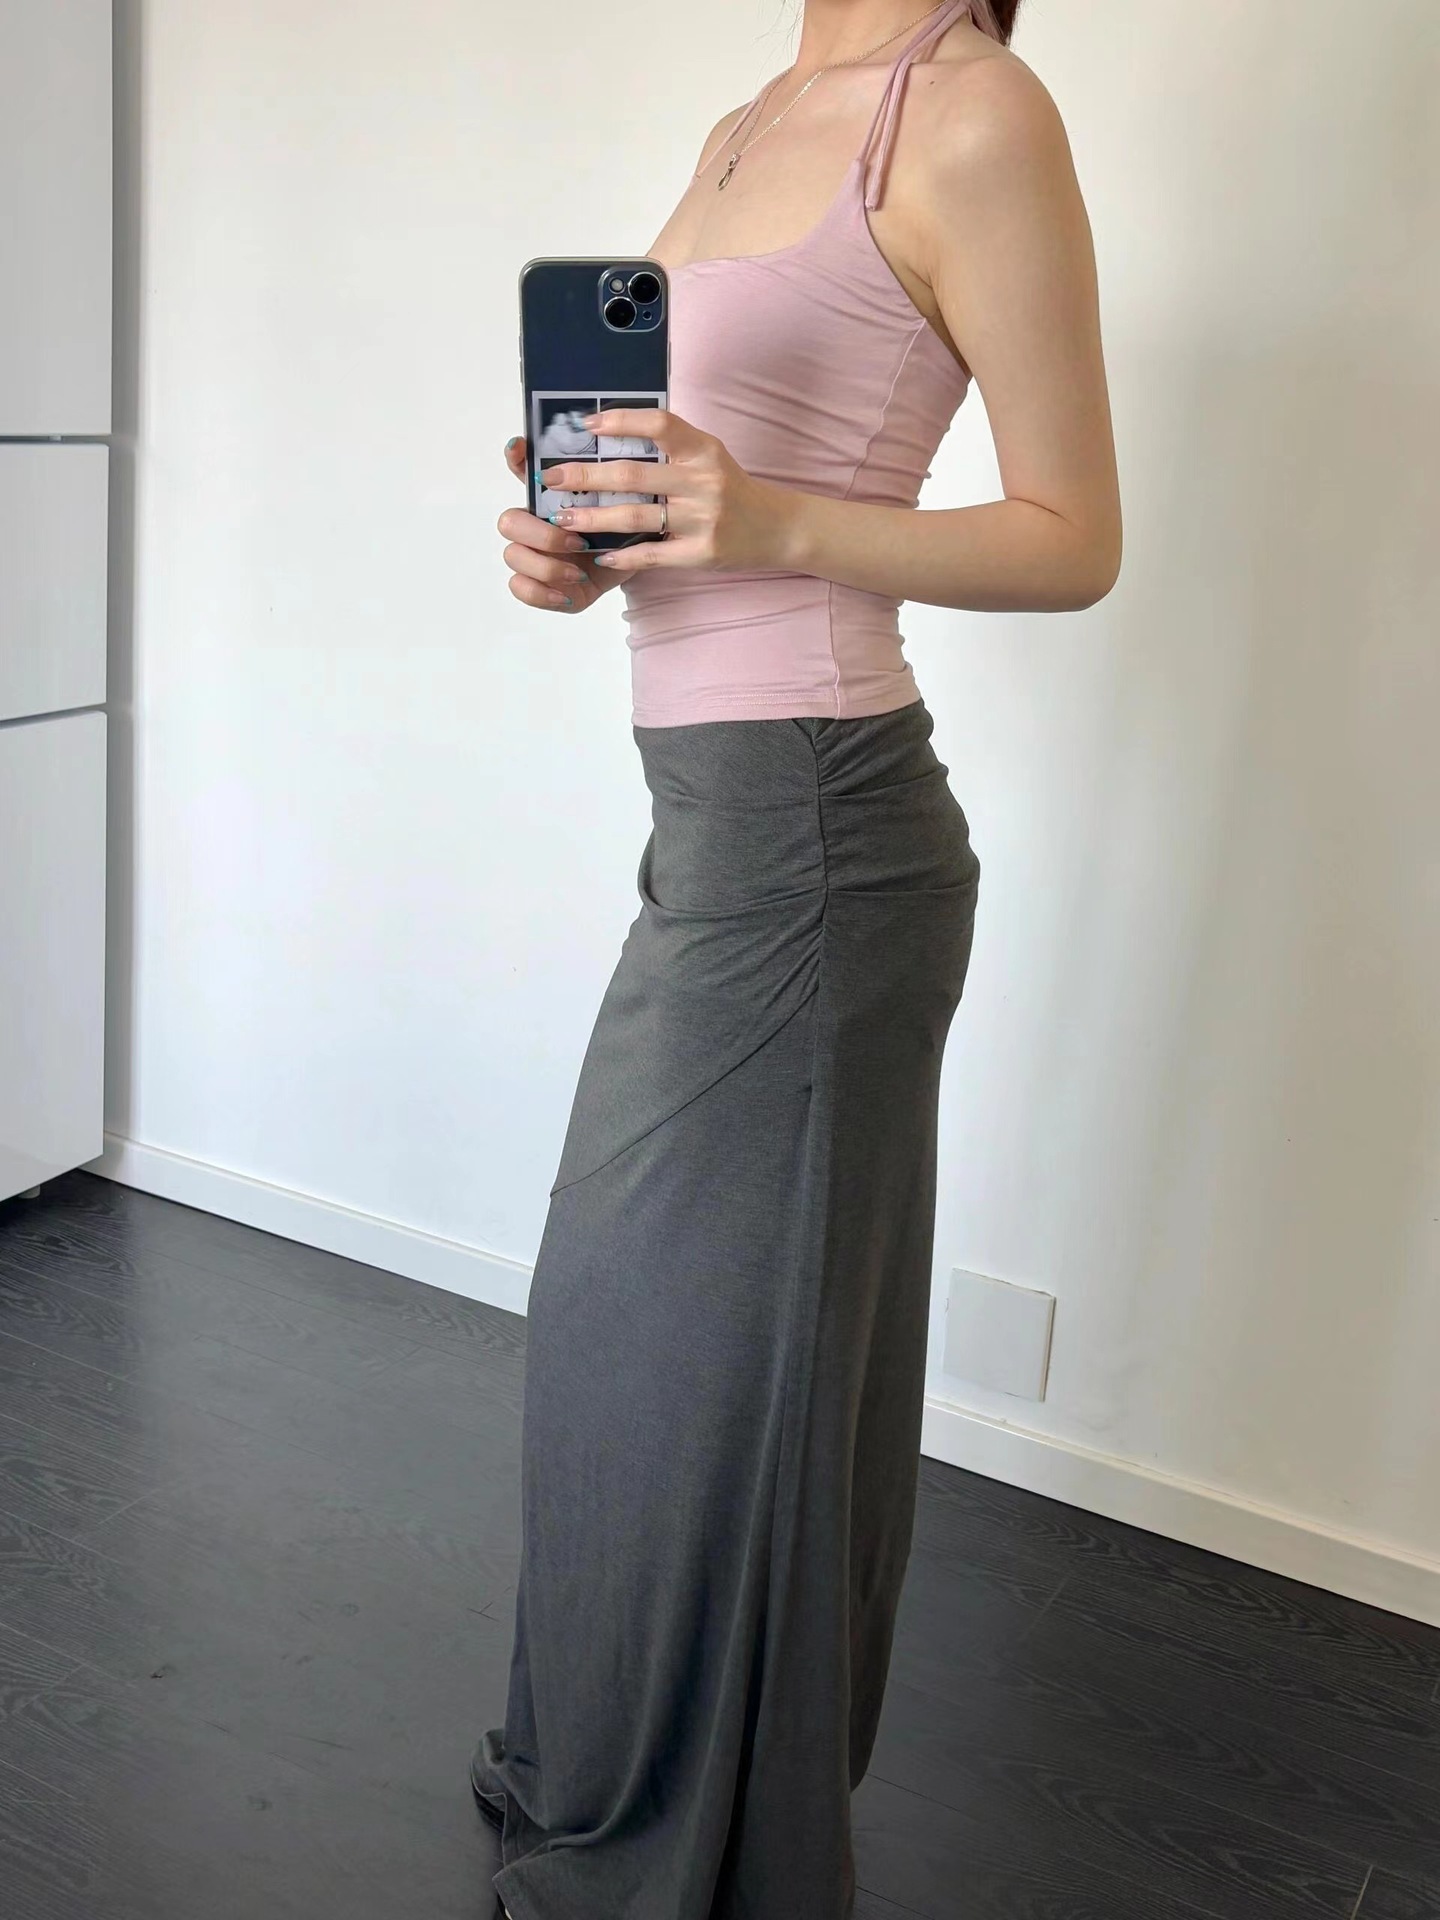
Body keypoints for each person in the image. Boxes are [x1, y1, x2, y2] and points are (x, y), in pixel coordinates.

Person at [474, 3, 1121, 1915]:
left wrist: (762, 519)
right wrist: (585, 552)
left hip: (823, 834)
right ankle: (619, 1785)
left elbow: (1076, 536)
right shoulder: (756, 111)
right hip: (715, 821)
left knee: (705, 1382)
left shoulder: (973, 110)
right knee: (649, 1351)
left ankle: (690, 1854)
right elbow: (699, 490)